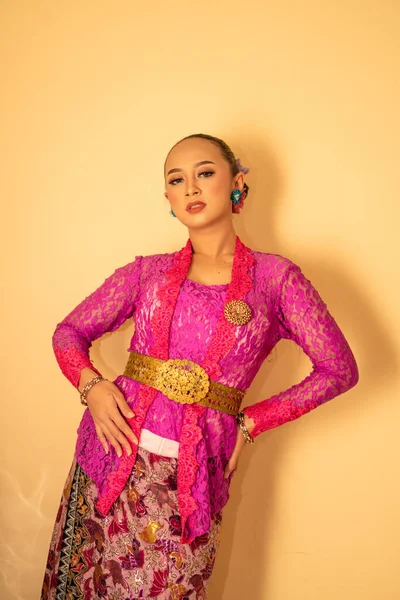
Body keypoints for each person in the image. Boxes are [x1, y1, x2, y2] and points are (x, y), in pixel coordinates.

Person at [41, 133, 359, 600]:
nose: (191, 188)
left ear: (236, 183)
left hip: (192, 479)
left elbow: (338, 369)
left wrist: (251, 422)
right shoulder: (147, 273)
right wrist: (93, 386)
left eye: (205, 173)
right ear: (168, 198)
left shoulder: (275, 279)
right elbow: (68, 333)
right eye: (177, 179)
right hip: (108, 462)